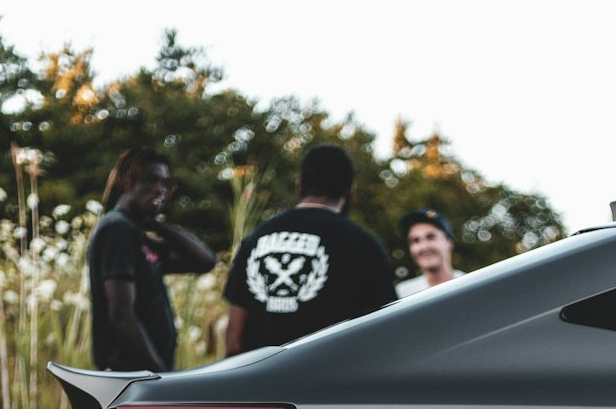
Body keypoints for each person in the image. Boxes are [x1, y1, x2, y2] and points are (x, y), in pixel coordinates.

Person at [223, 144, 395, 355]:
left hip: (258, 386)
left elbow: (234, 342)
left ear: (299, 186)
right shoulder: (364, 246)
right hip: (331, 385)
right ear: (351, 189)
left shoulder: (254, 240)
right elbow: (386, 336)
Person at [88, 148, 216, 372]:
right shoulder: (117, 229)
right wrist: (160, 376)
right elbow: (121, 314)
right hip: (130, 377)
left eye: (166, 184)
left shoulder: (138, 237)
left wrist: (154, 224)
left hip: (143, 376)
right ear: (128, 182)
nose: (160, 189)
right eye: (151, 180)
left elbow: (205, 261)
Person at [396, 209, 463, 297]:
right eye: (415, 240)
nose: (424, 247)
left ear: (448, 242)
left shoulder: (472, 284)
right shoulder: (402, 293)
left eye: (431, 237)